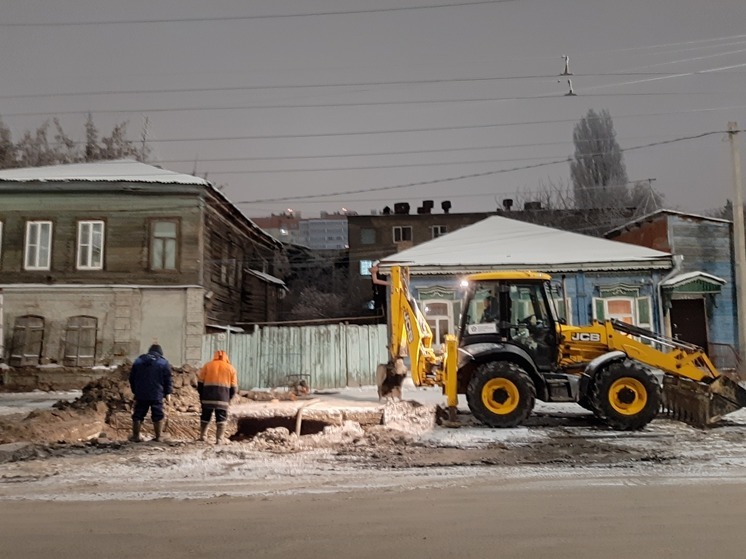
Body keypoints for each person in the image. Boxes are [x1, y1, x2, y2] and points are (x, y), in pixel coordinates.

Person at [128, 344, 173, 443]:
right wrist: (168, 393)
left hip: (141, 393)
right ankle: (159, 436)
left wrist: (135, 390)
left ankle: (136, 436)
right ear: (160, 353)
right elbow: (168, 379)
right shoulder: (163, 362)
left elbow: (131, 378)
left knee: (138, 414)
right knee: (157, 414)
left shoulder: (138, 361)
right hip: (156, 394)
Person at [197, 350, 239, 444]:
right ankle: (219, 439)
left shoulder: (207, 366)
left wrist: (202, 395)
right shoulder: (231, 368)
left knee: (205, 416)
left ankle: (203, 436)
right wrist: (229, 398)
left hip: (207, 398)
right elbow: (234, 388)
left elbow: (200, 383)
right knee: (221, 418)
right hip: (223, 399)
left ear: (215, 356)